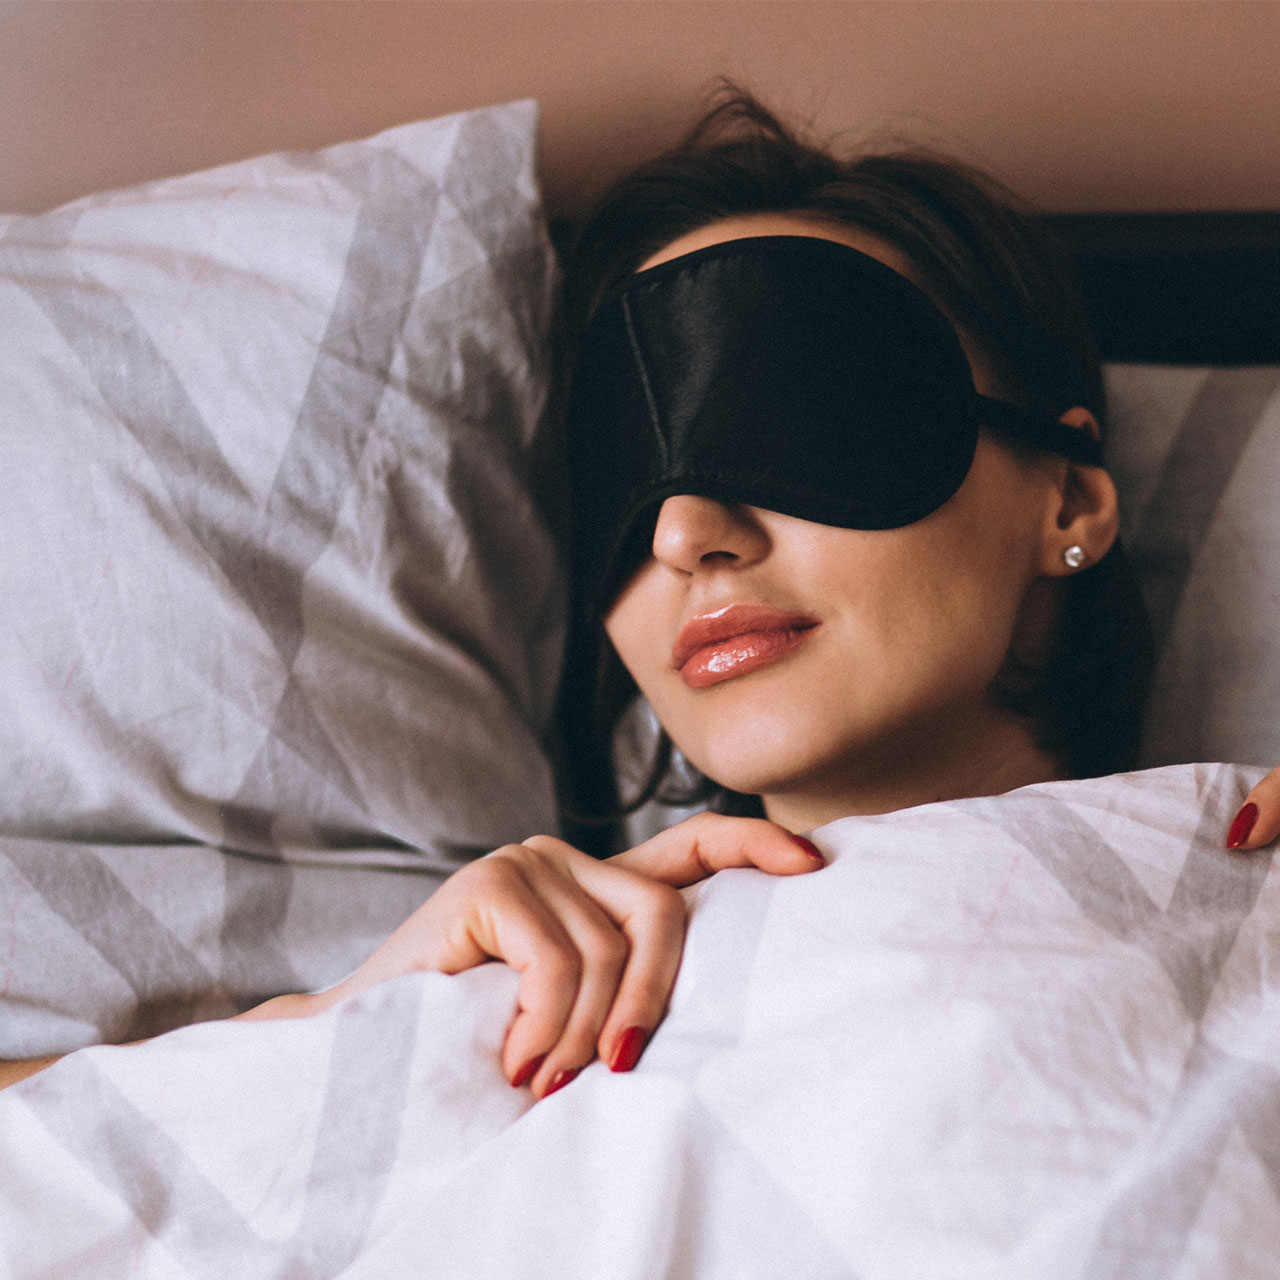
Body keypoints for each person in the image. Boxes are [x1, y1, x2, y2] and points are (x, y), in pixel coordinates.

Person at [3, 90, 1278, 1096]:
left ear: (1067, 500)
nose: (681, 531)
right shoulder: (524, 999)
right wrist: (342, 1019)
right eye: (623, 473)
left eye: (797, 410)